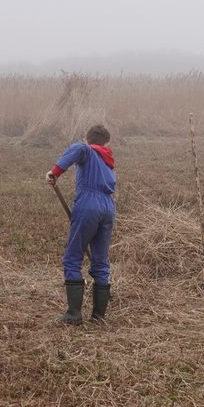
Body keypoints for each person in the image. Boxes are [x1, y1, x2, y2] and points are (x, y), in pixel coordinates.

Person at [46, 124, 117, 324]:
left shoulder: (86, 149)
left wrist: (54, 173)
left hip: (89, 204)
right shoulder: (108, 160)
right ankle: (98, 316)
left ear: (87, 139)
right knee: (100, 262)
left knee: (72, 257)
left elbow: (78, 149)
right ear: (107, 143)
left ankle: (74, 314)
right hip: (108, 207)